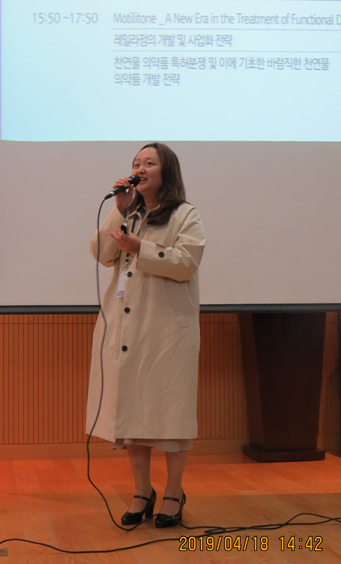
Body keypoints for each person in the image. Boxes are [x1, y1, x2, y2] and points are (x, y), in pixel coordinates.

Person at [86, 142, 206, 528]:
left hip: (168, 330)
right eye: (136, 163)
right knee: (132, 411)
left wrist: (143, 248)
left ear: (166, 171)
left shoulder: (185, 215)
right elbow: (102, 253)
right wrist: (119, 210)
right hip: (127, 328)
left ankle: (173, 491)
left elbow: (186, 262)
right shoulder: (130, 213)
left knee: (171, 412)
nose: (139, 168)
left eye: (149, 163)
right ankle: (142, 490)